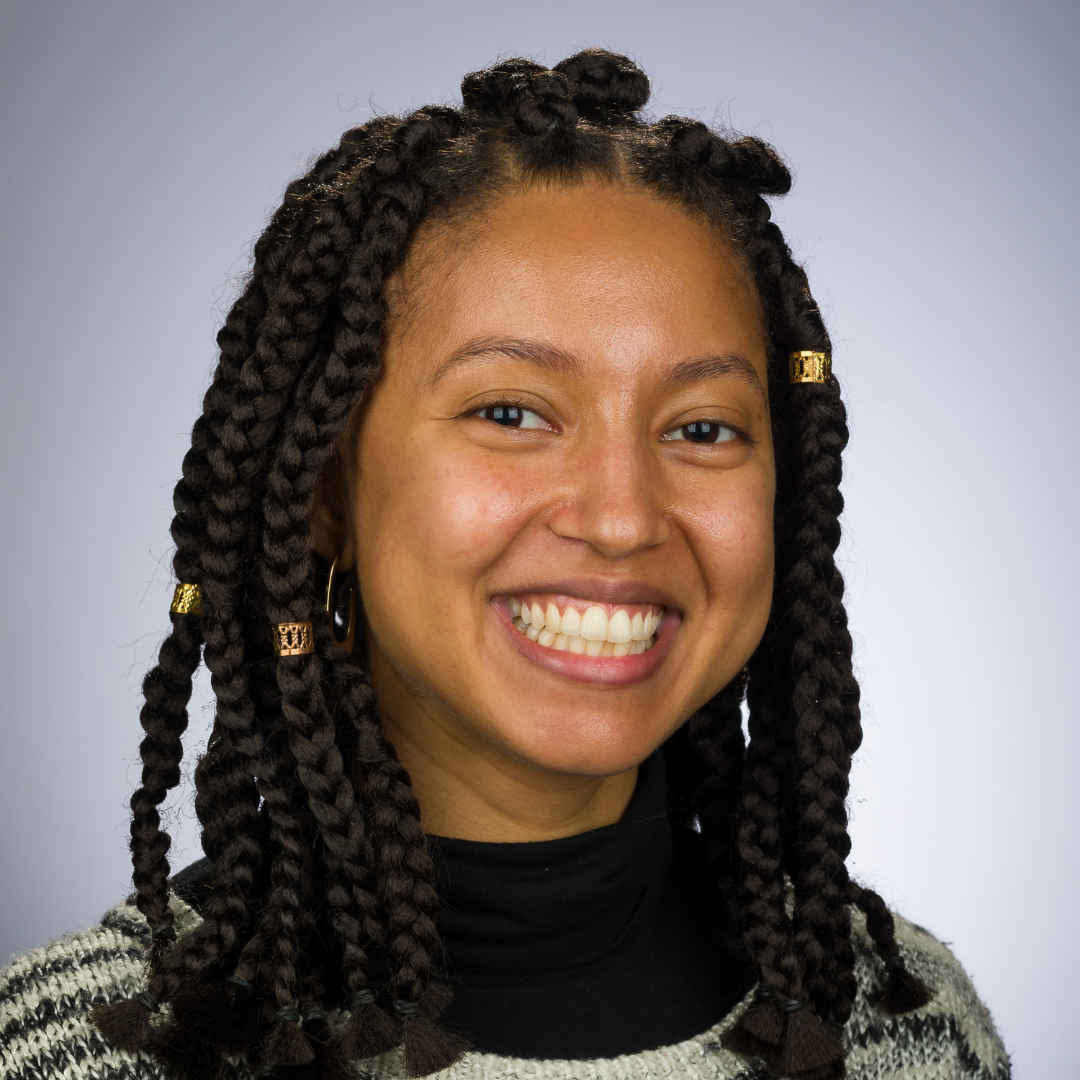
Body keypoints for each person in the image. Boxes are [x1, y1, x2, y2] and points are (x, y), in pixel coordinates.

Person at [0, 49, 1009, 1080]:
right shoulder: (87, 1052)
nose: (622, 518)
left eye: (703, 428)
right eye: (511, 412)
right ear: (325, 494)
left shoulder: (903, 1027)